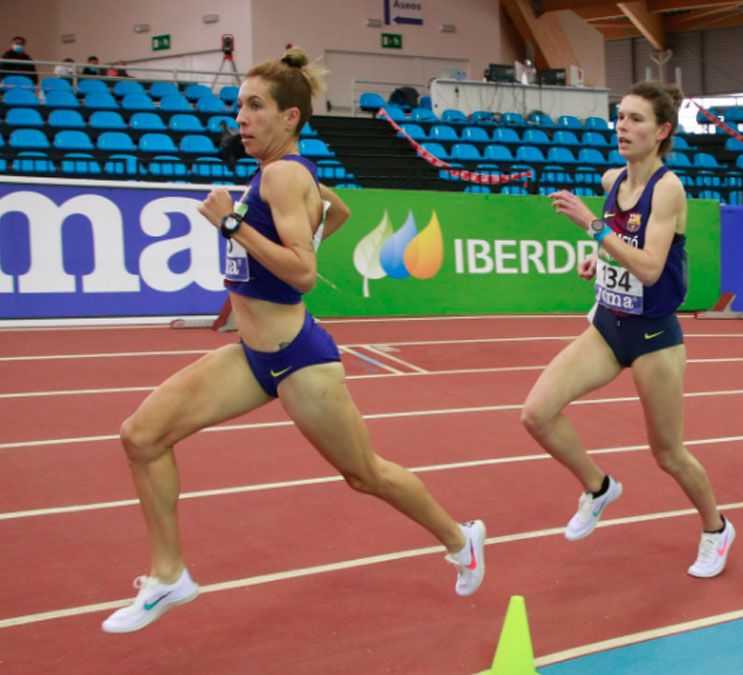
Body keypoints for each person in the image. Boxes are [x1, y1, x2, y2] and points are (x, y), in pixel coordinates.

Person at [101, 47, 486, 635]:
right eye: (239, 106)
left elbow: (303, 273)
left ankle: (461, 540)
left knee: (365, 474)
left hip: (299, 361)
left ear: (291, 119)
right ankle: (167, 576)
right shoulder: (281, 175)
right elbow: (340, 211)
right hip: (253, 355)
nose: (242, 118)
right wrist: (248, 278)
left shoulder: (283, 173)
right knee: (142, 436)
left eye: (255, 107)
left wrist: (230, 223)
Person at [523, 81, 734, 578]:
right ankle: (599, 487)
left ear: (662, 131)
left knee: (667, 453)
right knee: (536, 414)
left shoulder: (669, 188)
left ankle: (715, 529)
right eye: (620, 116)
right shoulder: (611, 179)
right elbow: (621, 245)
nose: (623, 126)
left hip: (654, 335)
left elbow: (650, 268)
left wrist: (593, 231)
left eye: (636, 119)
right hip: (607, 324)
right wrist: (596, 259)